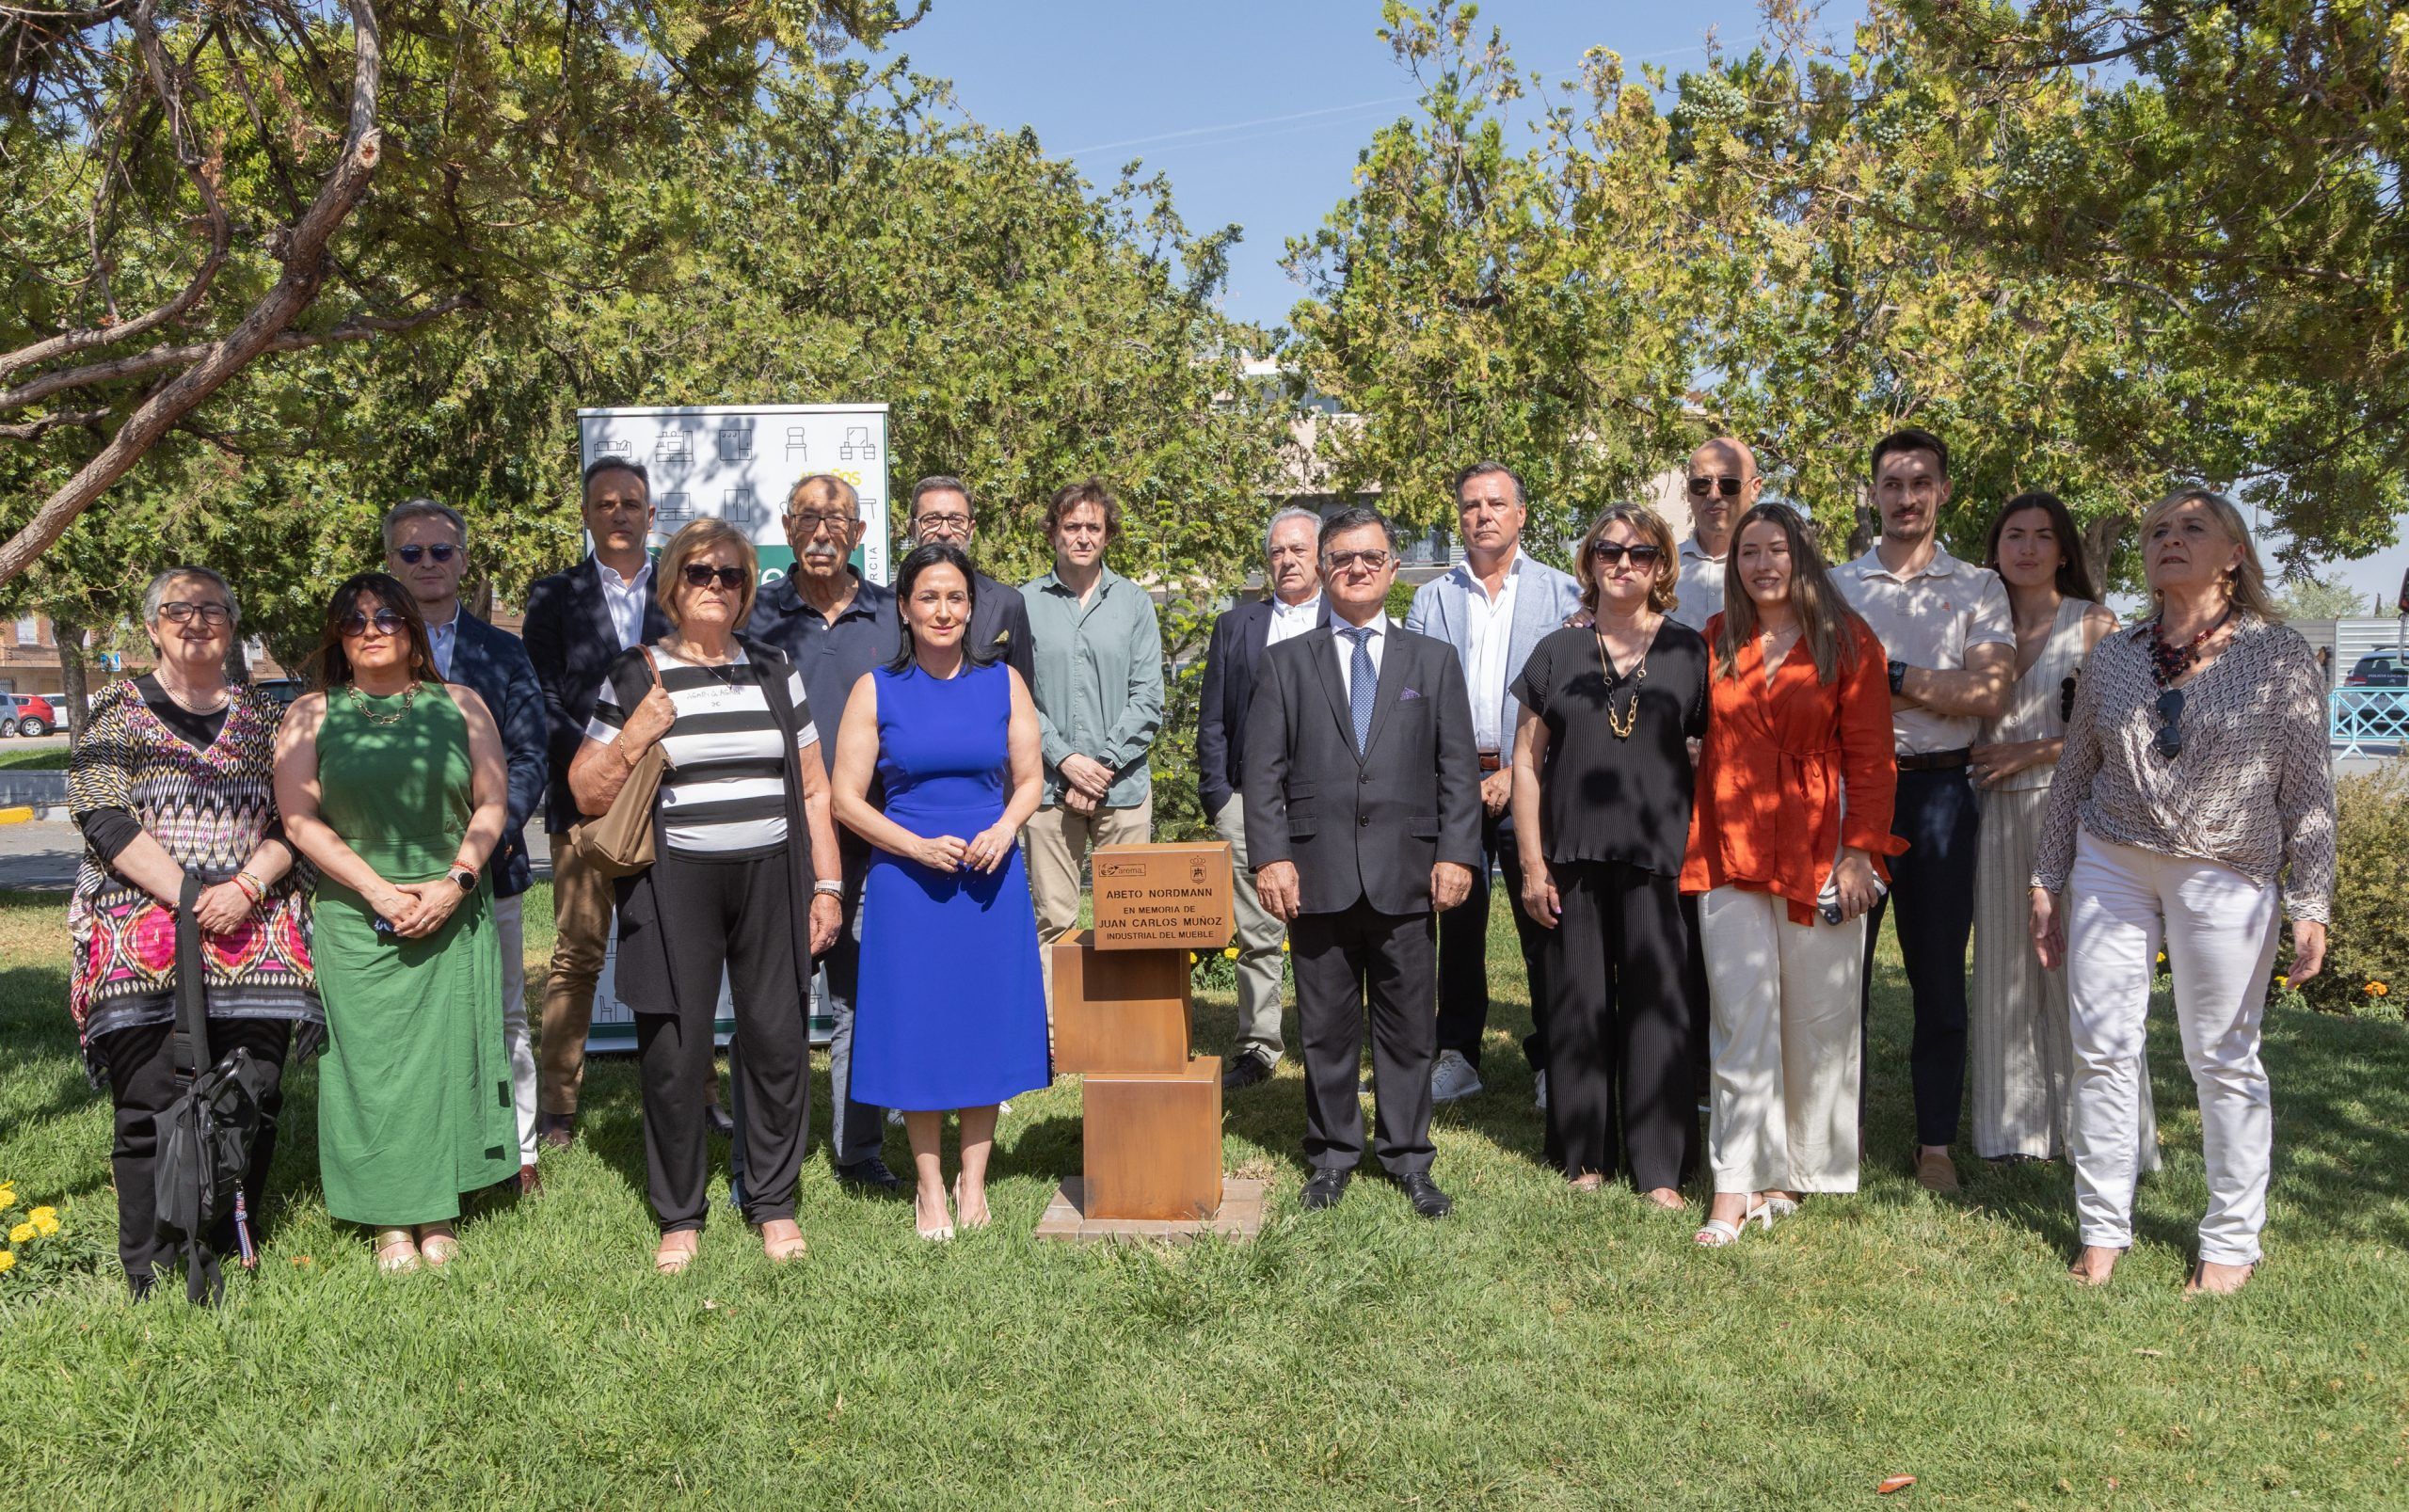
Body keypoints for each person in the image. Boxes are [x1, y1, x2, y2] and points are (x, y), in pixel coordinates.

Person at [2032, 487, 2335, 1296]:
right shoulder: (2118, 653)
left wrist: (2311, 900)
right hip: (2112, 860)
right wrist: (2046, 875)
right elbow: (2073, 774)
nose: (2171, 538)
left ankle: (2231, 1240)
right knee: (2100, 1045)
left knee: (2223, 1057)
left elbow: (2309, 791)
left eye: (2193, 527)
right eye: (2159, 529)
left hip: (2228, 871)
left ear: (2233, 553)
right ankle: (2101, 1231)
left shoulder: (2280, 656)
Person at [567, 519, 843, 1273]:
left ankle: (773, 1202)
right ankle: (679, 1215)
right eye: (698, 572)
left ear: (748, 587)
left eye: (729, 574)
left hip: (772, 874)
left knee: (778, 1040)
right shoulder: (636, 674)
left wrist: (827, 885)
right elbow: (585, 793)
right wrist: (635, 736)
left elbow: (814, 789)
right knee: (674, 1052)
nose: (714, 585)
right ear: (671, 585)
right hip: (673, 879)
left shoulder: (772, 666)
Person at [67, 567, 320, 1297]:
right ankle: (150, 1261)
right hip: (139, 921)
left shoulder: (270, 718)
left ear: (233, 624)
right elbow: (103, 817)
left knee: (253, 1089)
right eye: (179, 609)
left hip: (254, 917)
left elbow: (295, 819)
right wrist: (187, 894)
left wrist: (244, 886)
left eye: (213, 608)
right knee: (150, 1099)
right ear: (152, 626)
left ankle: (229, 1233)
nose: (196, 620)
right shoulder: (116, 711)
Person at [273, 572, 517, 1273]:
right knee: (370, 1068)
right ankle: (387, 1218)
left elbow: (492, 805)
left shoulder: (462, 705)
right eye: (354, 620)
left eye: (387, 617)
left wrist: (454, 882)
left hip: (452, 905)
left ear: (414, 634)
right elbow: (298, 820)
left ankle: (437, 1209)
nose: (371, 628)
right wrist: (380, 892)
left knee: (444, 1061)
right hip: (357, 913)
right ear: (337, 640)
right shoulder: (309, 715)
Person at [1244, 505, 1481, 1218]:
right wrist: (1272, 858)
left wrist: (1458, 854)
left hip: (1408, 873)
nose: (1355, 569)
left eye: (1369, 558)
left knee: (1409, 1029)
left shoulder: (1431, 661)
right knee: (1326, 1026)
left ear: (1392, 567)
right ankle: (1331, 1155)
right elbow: (1262, 774)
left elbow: (1458, 769)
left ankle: (1409, 1158)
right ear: (1322, 567)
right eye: (1341, 558)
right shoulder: (1286, 663)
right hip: (1316, 874)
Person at [1683, 504, 1902, 1246]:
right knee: (1740, 1016)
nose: (1764, 563)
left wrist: (1861, 852)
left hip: (1820, 846)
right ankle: (1733, 1183)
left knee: (1817, 1017)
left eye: (1778, 549)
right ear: (1734, 565)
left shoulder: (1849, 641)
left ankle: (1795, 1171)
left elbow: (1873, 757)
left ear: (1803, 557)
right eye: (1749, 552)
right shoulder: (1718, 640)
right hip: (1730, 845)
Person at [834, 543, 1049, 1240]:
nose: (944, 610)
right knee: (919, 1030)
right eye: (928, 596)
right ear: (904, 606)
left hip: (989, 882)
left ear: (972, 605)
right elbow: (844, 798)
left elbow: (1030, 780)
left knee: (983, 1024)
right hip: (908, 883)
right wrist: (914, 845)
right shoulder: (875, 689)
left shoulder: (1004, 683)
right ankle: (928, 1187)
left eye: (956, 596)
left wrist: (1006, 826)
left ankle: (973, 1182)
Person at [1832, 427, 2014, 1194]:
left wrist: (1884, 669)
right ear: (1872, 492)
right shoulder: (1838, 586)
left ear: (1943, 492)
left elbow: (1987, 693)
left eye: (1921, 483)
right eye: (1893, 483)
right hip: (1850, 795)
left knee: (1939, 976)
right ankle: (1842, 1131)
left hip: (1940, 795)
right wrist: (1929, 681)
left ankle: (1934, 1140)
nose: (1906, 497)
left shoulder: (1978, 586)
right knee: (1843, 975)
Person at [1511, 506, 1708, 1202]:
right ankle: (1582, 1155)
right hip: (1571, 859)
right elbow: (1527, 765)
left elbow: (1720, 753)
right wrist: (1533, 865)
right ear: (1589, 561)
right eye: (1608, 551)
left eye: (1641, 552)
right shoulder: (1555, 652)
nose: (1623, 563)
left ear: (1662, 566)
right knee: (1577, 1005)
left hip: (1662, 859)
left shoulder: (1692, 651)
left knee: (1659, 1007)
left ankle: (1659, 1167)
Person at [1966, 492, 2155, 1166]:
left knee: (2080, 968)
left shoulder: (2095, 624)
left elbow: (2122, 727)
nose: (2026, 548)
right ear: (1994, 550)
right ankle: (2012, 1130)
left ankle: (2102, 1134)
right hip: (1990, 809)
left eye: (2042, 536)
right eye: (2013, 535)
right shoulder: (1973, 622)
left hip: (2071, 807)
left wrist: (2035, 749)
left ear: (2064, 550)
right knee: (2005, 969)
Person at [1404, 461, 1585, 1106]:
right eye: (1470, 505)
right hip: (1454, 782)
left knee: (1545, 919)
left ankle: (1551, 1057)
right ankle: (1456, 1053)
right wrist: (1460, 775)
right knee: (1456, 922)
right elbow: (1416, 699)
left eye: (1495, 503)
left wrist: (1518, 769)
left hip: (1534, 778)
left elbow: (1573, 702)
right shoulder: (1432, 597)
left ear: (1521, 514)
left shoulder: (1565, 596)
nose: (1481, 514)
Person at [383, 498, 550, 1196]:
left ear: (464, 560)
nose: (427, 564)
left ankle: (521, 1152)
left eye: (441, 552)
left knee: (504, 1009)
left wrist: (477, 851)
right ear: (390, 562)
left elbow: (530, 755)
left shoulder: (503, 652)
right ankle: (422, 1149)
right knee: (407, 1016)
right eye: (411, 553)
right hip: (390, 872)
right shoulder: (360, 648)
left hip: (490, 869)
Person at [744, 472, 903, 1189]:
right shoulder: (755, 616)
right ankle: (764, 1162)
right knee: (772, 1006)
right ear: (785, 528)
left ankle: (858, 1152)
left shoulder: (889, 616)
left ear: (860, 535)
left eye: (837, 519)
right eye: (807, 516)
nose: (822, 530)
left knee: (861, 1000)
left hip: (873, 838)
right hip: (781, 840)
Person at [520, 456, 670, 1149]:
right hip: (584, 804)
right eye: (605, 503)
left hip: (672, 800)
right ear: (586, 514)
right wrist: (597, 771)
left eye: (631, 503)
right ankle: (558, 1109)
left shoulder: (682, 581)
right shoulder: (553, 597)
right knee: (577, 954)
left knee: (675, 949)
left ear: (649, 512)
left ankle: (689, 1094)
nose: (619, 513)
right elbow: (543, 700)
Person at [1195, 505, 1327, 1090]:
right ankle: (1258, 1046)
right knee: (1256, 931)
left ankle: (1331, 1042)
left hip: (1330, 800)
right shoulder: (1236, 626)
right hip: (1250, 800)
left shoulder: (1343, 618)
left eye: (1299, 549)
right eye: (1277, 551)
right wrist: (1221, 797)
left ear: (1320, 555)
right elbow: (1213, 720)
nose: (1287, 560)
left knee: (1333, 924)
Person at [1022, 479, 1165, 975]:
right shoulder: (1024, 604)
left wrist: (1100, 765)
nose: (1082, 536)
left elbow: (1148, 698)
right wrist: (1065, 760)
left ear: (1107, 536)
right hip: (1046, 789)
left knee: (1128, 921)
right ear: (1053, 533)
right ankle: (1058, 1044)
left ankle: (1120, 1041)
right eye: (1071, 526)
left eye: (1093, 527)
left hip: (1122, 790)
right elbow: (1017, 698)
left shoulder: (1134, 603)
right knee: (1053, 921)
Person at [908, 475, 1035, 687]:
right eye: (931, 519)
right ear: (913, 529)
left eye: (957, 520)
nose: (945, 531)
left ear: (971, 529)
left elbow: (1022, 694)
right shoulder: (886, 603)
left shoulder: (1007, 604)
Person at [1666, 438, 1753, 635]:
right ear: (1688, 491)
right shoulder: (1659, 568)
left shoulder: (1776, 571)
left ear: (1755, 488)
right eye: (1701, 485)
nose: (1713, 495)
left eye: (1729, 484)